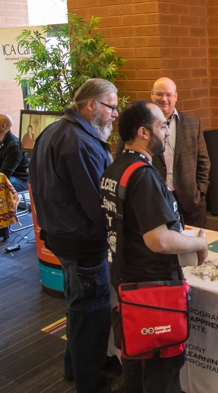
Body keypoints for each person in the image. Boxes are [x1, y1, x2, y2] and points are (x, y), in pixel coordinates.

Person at [101, 100, 208, 392]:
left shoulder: (116, 169)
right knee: (160, 376)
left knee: (135, 369)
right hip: (152, 292)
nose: (166, 132)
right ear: (143, 132)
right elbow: (157, 239)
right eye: (162, 126)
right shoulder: (143, 174)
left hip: (128, 286)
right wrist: (197, 243)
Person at [28, 78, 122, 393]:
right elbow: (98, 204)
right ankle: (90, 381)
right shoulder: (80, 142)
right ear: (90, 105)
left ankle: (74, 368)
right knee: (90, 317)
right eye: (111, 106)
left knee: (76, 307)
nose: (115, 114)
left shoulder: (52, 131)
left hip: (61, 238)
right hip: (83, 244)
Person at [117, 77, 211, 228]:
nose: (164, 99)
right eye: (159, 94)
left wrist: (200, 192)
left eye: (168, 95)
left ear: (176, 96)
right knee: (160, 245)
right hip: (152, 201)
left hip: (189, 203)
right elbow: (123, 160)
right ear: (152, 95)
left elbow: (203, 162)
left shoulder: (193, 123)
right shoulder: (136, 124)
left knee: (192, 246)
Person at [0, 114, 29, 191]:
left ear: (3, 127)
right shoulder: (2, 142)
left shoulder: (14, 145)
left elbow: (5, 175)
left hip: (20, 180)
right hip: (7, 177)